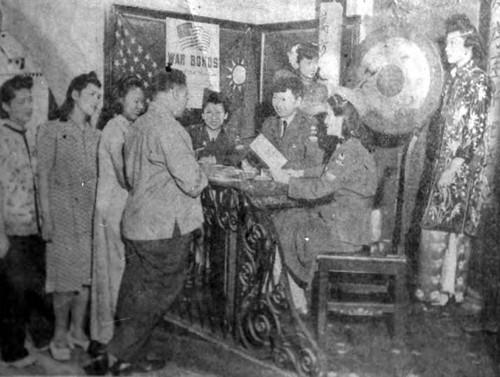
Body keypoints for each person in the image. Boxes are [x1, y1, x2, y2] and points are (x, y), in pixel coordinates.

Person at [84, 68, 208, 375]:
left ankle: (127, 356)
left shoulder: (136, 125)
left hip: (137, 225)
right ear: (175, 93)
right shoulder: (169, 128)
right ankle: (115, 358)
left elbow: (129, 176)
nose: (186, 103)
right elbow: (192, 181)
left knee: (134, 293)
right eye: (186, 96)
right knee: (157, 293)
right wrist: (203, 171)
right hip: (164, 229)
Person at [271, 95, 377, 309]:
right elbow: (328, 171)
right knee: (287, 220)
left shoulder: (348, 151)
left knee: (283, 223)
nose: (325, 121)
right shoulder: (350, 146)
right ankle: (293, 294)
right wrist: (300, 172)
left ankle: (295, 298)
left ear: (342, 119)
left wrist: (287, 181)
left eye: (329, 116)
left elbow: (319, 188)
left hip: (343, 235)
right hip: (347, 227)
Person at [416, 14, 493, 307]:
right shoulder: (454, 79)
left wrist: (454, 167)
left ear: (469, 46)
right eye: (446, 42)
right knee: (439, 225)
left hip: (462, 167)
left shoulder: (479, 81)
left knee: (450, 228)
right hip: (445, 163)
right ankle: (436, 290)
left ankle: (447, 291)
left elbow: (474, 130)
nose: (447, 48)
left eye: (452, 43)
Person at [37, 72, 102, 360]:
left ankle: (78, 331)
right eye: (91, 95)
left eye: (99, 97)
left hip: (89, 218)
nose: (96, 102)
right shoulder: (51, 130)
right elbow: (42, 179)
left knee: (86, 279)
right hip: (62, 216)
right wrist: (46, 219)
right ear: (75, 95)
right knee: (64, 281)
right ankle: (59, 335)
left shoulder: (96, 135)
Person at [0, 75, 54, 367]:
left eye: (30, 100)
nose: (29, 106)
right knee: (13, 294)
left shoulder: (31, 134)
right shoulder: (1, 137)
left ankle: (38, 337)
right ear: (6, 107)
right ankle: (11, 350)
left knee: (35, 287)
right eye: (21, 101)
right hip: (12, 229)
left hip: (34, 227)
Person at [90, 76, 145, 345]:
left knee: (118, 269)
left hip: (120, 208)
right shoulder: (115, 128)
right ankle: (112, 336)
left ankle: (115, 334)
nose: (140, 105)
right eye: (135, 100)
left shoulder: (128, 127)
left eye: (142, 101)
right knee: (115, 271)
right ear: (120, 99)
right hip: (112, 209)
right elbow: (126, 177)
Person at [260, 76, 323, 170]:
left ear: (297, 102)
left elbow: (313, 164)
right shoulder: (269, 124)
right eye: (275, 97)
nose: (278, 104)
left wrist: (285, 168)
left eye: (283, 99)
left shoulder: (309, 126)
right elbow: (261, 157)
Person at [274, 42, 329, 117]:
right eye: (309, 63)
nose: (314, 68)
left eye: (316, 63)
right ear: (298, 63)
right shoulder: (288, 81)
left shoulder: (321, 88)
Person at [187, 91, 238, 166]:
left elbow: (236, 158)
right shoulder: (191, 133)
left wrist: (216, 160)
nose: (214, 117)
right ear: (203, 115)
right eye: (209, 112)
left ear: (225, 115)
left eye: (218, 113)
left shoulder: (231, 137)